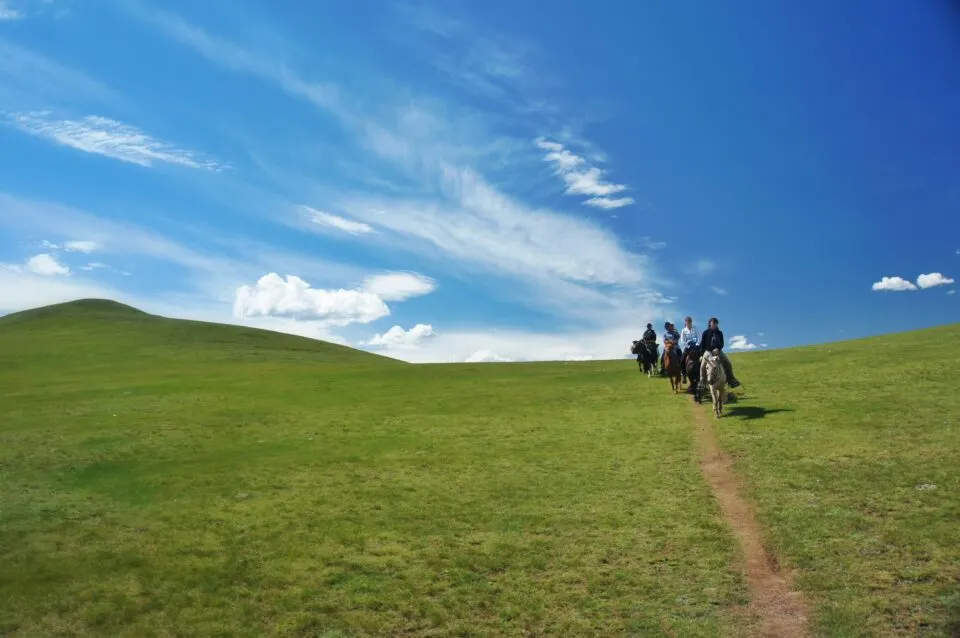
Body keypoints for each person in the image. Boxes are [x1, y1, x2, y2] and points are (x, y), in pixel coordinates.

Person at [699, 317, 740, 388]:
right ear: (710, 324)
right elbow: (702, 344)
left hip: (718, 351)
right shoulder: (705, 332)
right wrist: (701, 355)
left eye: (715, 323)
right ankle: (702, 382)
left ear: (717, 324)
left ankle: (731, 380)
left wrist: (718, 349)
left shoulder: (720, 333)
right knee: (702, 366)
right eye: (712, 323)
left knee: (728, 363)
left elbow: (722, 343)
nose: (714, 325)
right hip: (708, 352)